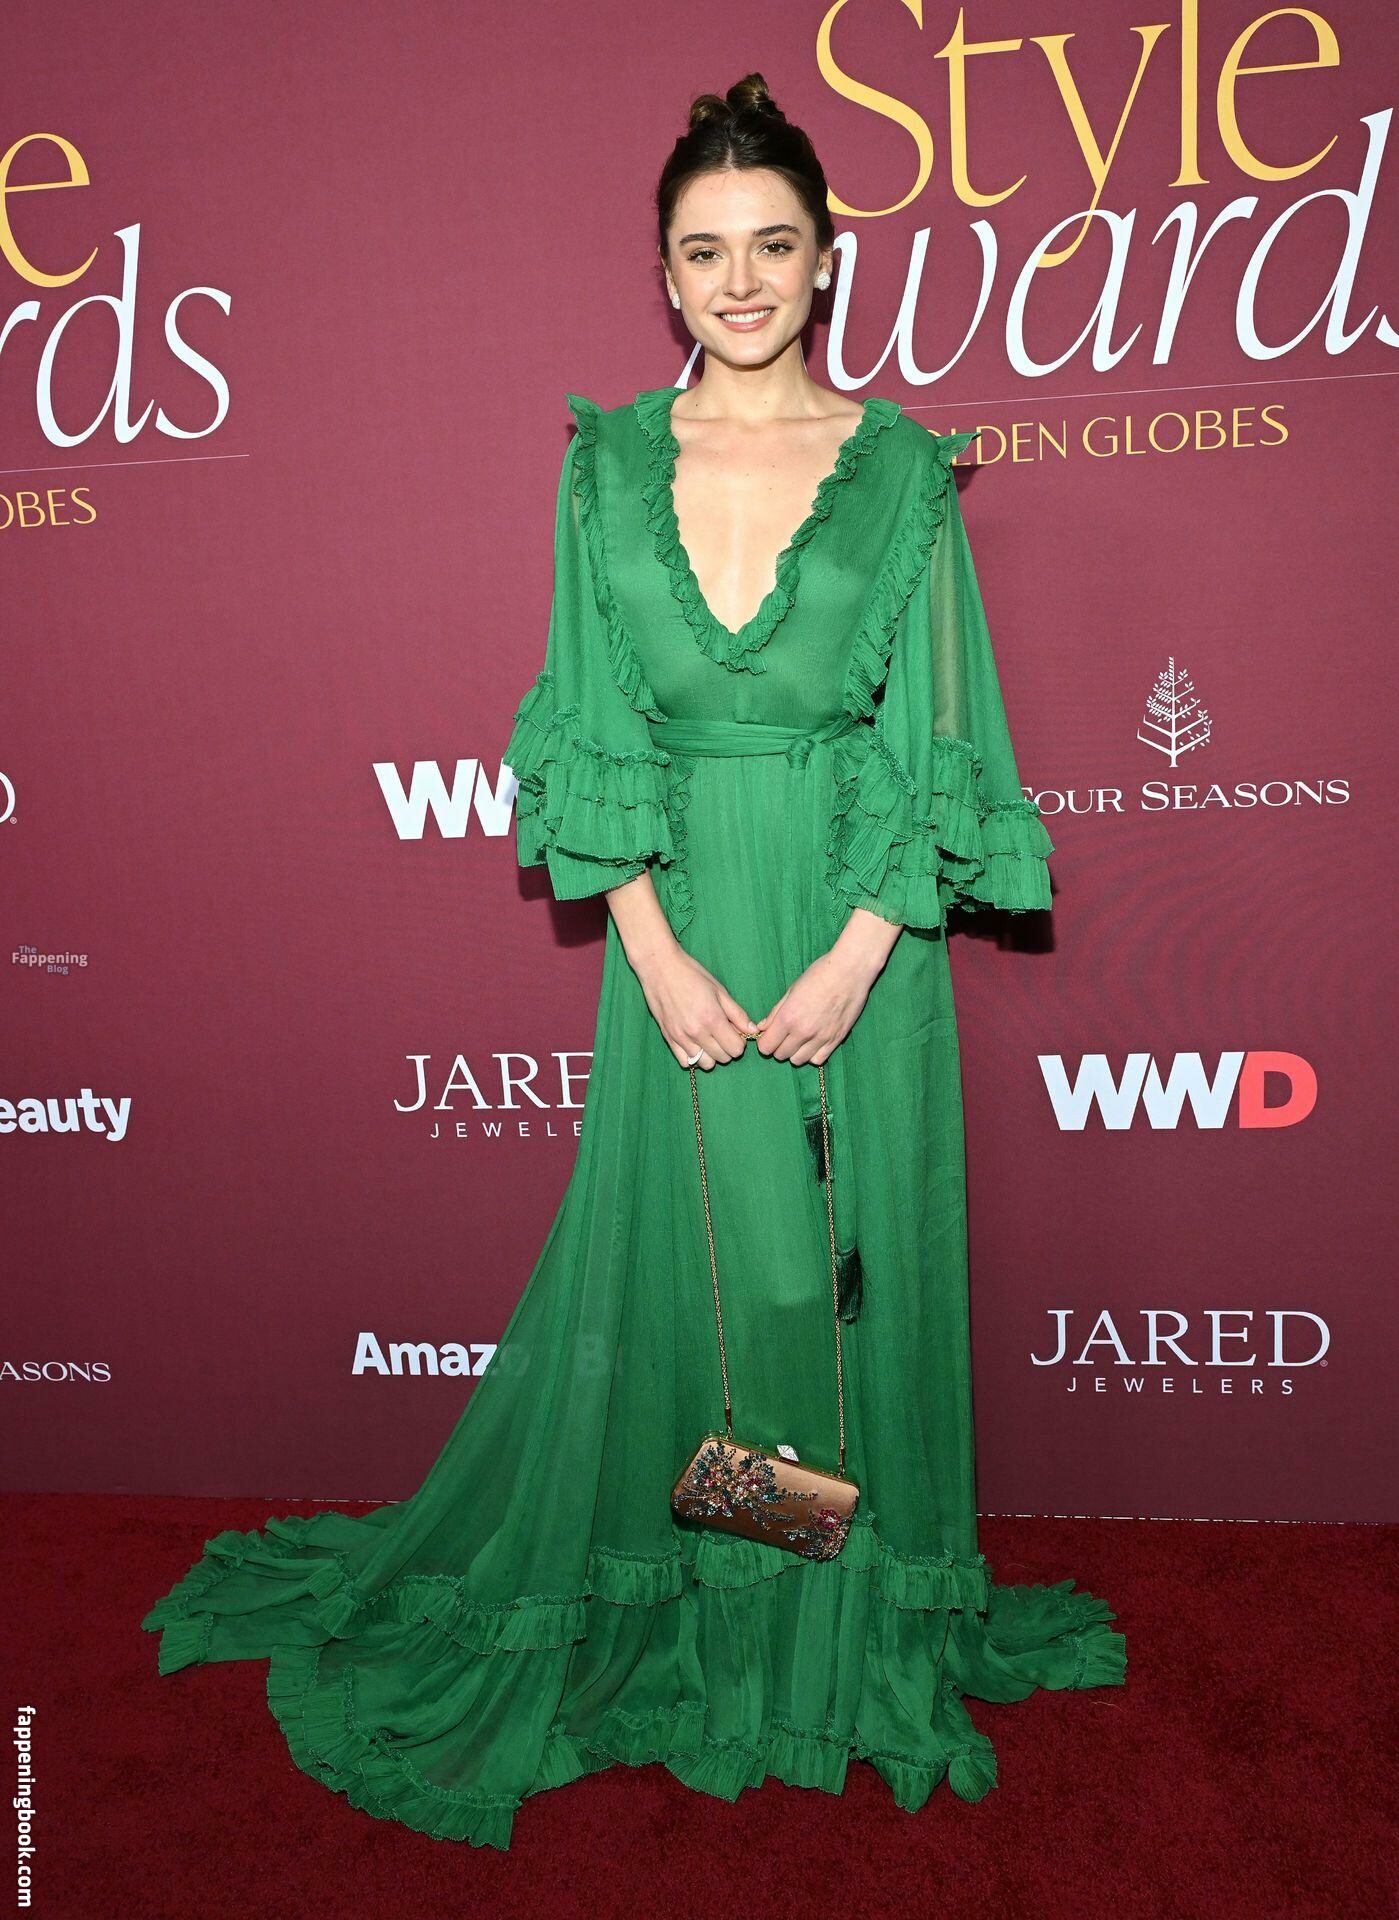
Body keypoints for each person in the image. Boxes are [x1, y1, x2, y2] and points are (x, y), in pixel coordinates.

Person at [141, 71, 1126, 1850]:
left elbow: (942, 734)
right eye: (704, 251)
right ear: (663, 277)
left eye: (773, 244)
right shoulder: (602, 467)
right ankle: (718, 1630)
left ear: (826, 261)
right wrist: (653, 949)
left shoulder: (904, 470)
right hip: (678, 931)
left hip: (858, 929)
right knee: (710, 1291)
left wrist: (860, 953)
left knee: (841, 1288)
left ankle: (831, 1643)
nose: (740, 280)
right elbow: (591, 721)